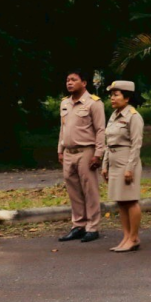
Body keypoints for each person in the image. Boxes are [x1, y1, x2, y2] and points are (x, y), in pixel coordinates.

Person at [57, 69, 106, 243]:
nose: (69, 83)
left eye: (73, 80)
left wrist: (99, 153)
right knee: (73, 190)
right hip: (69, 152)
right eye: (67, 80)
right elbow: (63, 128)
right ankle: (78, 225)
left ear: (84, 83)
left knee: (89, 190)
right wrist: (60, 150)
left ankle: (92, 227)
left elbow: (100, 130)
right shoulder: (65, 103)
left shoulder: (94, 103)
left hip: (86, 151)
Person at [103, 81, 144, 253]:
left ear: (127, 97)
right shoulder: (114, 115)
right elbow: (109, 141)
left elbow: (136, 144)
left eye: (116, 94)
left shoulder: (133, 116)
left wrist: (130, 168)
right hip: (114, 159)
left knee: (131, 200)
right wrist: (105, 164)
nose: (112, 98)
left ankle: (134, 237)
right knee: (121, 201)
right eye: (111, 95)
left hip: (127, 159)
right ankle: (126, 236)